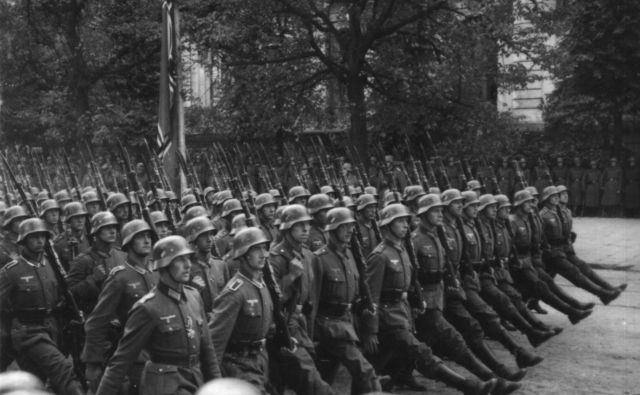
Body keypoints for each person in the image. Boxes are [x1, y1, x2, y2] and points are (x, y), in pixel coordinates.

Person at [361, 203, 497, 395]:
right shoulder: (380, 256)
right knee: (421, 352)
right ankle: (469, 387)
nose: (404, 225)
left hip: (401, 313)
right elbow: (371, 296)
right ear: (386, 226)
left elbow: (406, 287)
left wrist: (415, 306)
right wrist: (370, 330)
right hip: (387, 318)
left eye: (405, 221)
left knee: (370, 369)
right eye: (398, 222)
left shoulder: (401, 251)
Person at [412, 194, 521, 394]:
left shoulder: (437, 235)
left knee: (424, 347)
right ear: (423, 214)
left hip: (442, 297)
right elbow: (411, 277)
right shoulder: (416, 240)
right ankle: (490, 379)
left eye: (439, 210)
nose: (439, 213)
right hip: (425, 303)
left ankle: (495, 374)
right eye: (434, 211)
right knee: (454, 339)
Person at [97, 235, 221, 395]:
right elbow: (120, 362)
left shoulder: (194, 296)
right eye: (180, 260)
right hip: (164, 386)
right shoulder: (148, 307)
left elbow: (208, 351)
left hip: (194, 380)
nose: (188, 265)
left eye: (189, 259)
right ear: (165, 265)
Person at [442, 190, 543, 371]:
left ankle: (519, 349)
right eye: (466, 205)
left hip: (472, 278)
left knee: (492, 311)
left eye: (470, 204)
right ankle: (503, 363)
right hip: (454, 284)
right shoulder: (445, 229)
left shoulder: (463, 226)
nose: (466, 207)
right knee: (479, 321)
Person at [0, 218, 85, 394]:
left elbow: (62, 297)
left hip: (53, 328)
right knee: (63, 370)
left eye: (42, 237)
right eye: (34, 237)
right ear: (23, 241)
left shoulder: (52, 266)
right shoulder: (12, 272)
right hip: (28, 332)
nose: (40, 241)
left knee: (35, 382)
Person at [83, 219, 158, 394]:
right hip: (135, 356)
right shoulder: (120, 277)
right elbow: (97, 322)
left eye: (148, 236)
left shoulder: (158, 272)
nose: (147, 241)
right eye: (140, 237)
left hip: (162, 353)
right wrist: (92, 363)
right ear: (129, 242)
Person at [311, 207, 382, 393]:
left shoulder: (350, 254)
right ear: (333, 230)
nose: (350, 230)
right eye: (344, 227)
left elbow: (355, 291)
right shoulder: (320, 259)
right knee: (364, 370)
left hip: (347, 322)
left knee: (325, 374)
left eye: (351, 226)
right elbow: (313, 299)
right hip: (329, 326)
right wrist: (311, 333)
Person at [267, 205, 334, 395]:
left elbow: (312, 296)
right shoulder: (275, 259)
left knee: (299, 374)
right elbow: (271, 299)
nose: (306, 230)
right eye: (299, 225)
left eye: (307, 225)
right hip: (282, 324)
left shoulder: (308, 256)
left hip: (301, 321)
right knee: (305, 374)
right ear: (288, 228)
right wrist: (290, 277)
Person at [507, 190, 593, 324]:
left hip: (529, 262)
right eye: (528, 202)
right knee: (540, 287)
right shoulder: (513, 221)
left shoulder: (526, 218)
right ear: (520, 204)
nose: (531, 204)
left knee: (547, 282)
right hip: (519, 265)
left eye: (531, 201)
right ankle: (571, 312)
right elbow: (509, 247)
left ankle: (574, 307)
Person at [208, 227, 274, 392]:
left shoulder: (261, 284)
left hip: (259, 359)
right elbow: (215, 340)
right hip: (239, 364)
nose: (263, 254)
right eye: (255, 249)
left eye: (263, 248)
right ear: (243, 255)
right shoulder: (235, 292)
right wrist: (214, 380)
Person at [539, 186, 622, 305]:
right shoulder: (543, 215)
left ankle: (606, 290)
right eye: (554, 196)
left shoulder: (560, 212)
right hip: (552, 253)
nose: (558, 198)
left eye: (558, 196)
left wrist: (569, 236)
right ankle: (603, 294)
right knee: (572, 274)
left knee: (576, 270)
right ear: (547, 199)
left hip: (562, 250)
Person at [67, 211, 127, 315]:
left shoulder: (122, 256)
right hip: (96, 316)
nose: (112, 231)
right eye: (107, 228)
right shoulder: (84, 260)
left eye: (114, 227)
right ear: (97, 232)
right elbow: (70, 294)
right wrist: (93, 280)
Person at [185, 216, 229, 315]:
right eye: (204, 235)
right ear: (194, 240)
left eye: (211, 235)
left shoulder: (221, 264)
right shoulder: (187, 269)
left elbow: (229, 297)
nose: (209, 239)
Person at [54, 202, 91, 271]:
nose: (80, 220)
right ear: (69, 220)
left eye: (82, 217)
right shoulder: (60, 243)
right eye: (76, 217)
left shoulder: (90, 237)